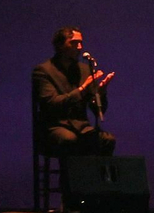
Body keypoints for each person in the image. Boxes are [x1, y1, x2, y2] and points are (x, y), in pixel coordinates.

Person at [32, 26, 115, 156]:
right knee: (69, 140)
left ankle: (96, 176)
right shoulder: (43, 71)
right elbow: (52, 104)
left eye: (81, 43)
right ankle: (70, 177)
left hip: (81, 127)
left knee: (107, 140)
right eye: (74, 43)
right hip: (54, 128)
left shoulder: (84, 70)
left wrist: (101, 93)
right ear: (59, 45)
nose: (80, 47)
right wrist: (82, 90)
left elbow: (98, 112)